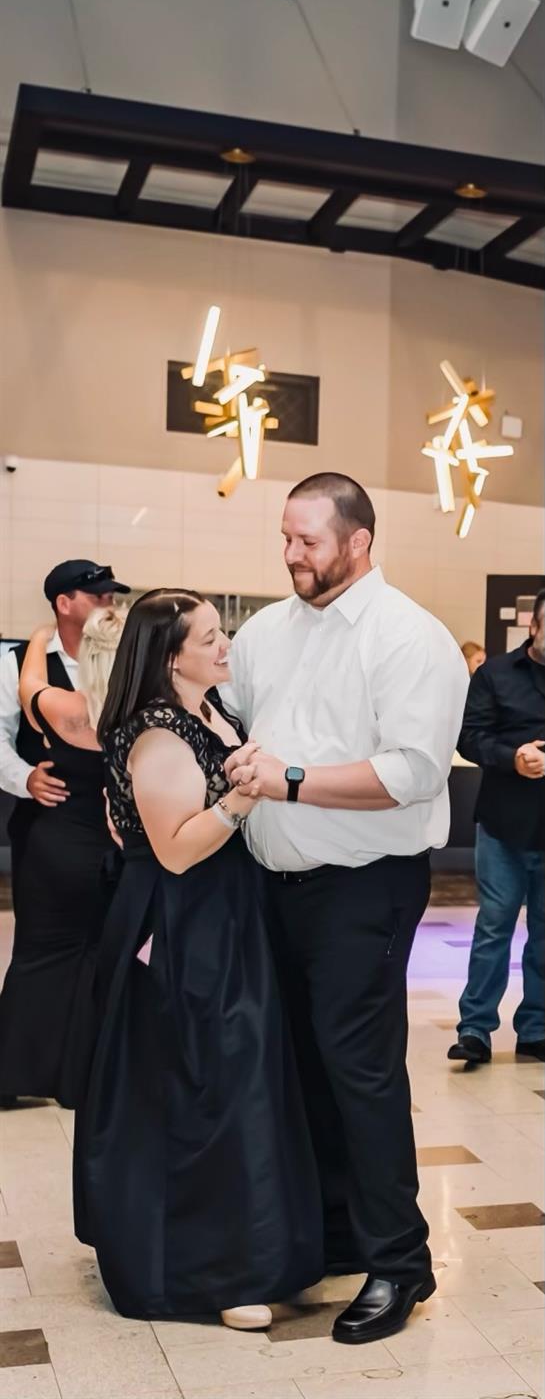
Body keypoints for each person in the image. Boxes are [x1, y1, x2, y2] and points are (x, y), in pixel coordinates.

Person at [222, 471, 469, 1345]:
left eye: (308, 541)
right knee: (300, 1065)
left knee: (359, 1072)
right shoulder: (265, 631)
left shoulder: (410, 638)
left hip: (363, 888)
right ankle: (335, 1234)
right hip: (270, 883)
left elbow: (412, 774)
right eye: (285, 538)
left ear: (358, 541)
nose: (291, 554)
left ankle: (400, 1261)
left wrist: (288, 779)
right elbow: (230, 720)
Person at [73, 589, 323, 1329]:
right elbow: (177, 851)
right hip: (182, 923)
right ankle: (207, 1272)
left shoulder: (209, 712)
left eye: (224, 633)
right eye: (210, 637)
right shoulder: (157, 733)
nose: (225, 646)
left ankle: (251, 1251)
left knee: (237, 1075)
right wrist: (245, 796)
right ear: (169, 655)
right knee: (199, 1083)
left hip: (224, 912)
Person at [0, 604, 127, 1108]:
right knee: (93, 956)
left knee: (39, 954)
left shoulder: (65, 709)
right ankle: (78, 1078)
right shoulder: (138, 713)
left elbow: (29, 686)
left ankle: (13, 1073)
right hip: (114, 847)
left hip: (55, 841)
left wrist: (38, 637)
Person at [448, 589, 545, 1067]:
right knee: (494, 925)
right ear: (534, 626)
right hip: (504, 823)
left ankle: (537, 1029)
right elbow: (469, 737)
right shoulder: (496, 675)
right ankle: (475, 1029)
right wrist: (513, 758)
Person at [0, 559, 130, 908]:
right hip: (47, 829)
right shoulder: (16, 663)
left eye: (112, 597)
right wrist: (24, 778)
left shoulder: (126, 661)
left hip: (118, 831)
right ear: (63, 603)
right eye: (98, 597)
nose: (109, 605)